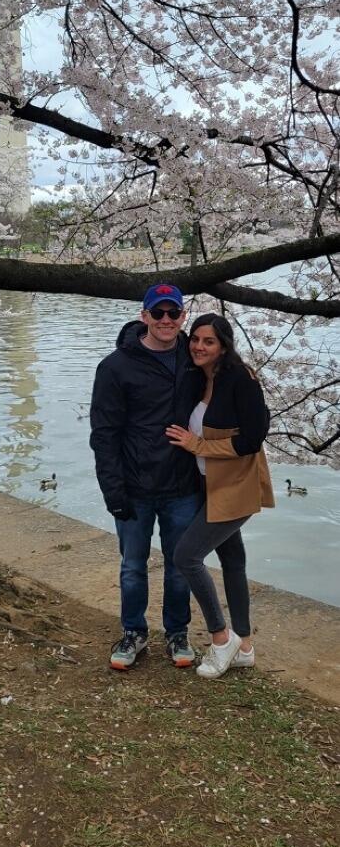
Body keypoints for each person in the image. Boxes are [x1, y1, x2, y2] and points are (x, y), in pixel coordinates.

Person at [90, 282, 203, 671]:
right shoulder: (115, 367)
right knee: (133, 567)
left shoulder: (195, 360)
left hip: (183, 486)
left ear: (183, 317)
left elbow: (227, 390)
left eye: (174, 313)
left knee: (180, 566)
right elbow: (103, 435)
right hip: (135, 487)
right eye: (159, 313)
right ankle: (134, 632)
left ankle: (177, 631)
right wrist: (113, 490)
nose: (167, 320)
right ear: (145, 317)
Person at [166, 313, 274, 680]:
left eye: (208, 341)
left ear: (223, 345)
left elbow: (252, 439)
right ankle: (243, 646)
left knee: (187, 555)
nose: (199, 346)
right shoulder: (200, 377)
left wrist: (198, 444)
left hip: (236, 485)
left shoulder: (240, 380)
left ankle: (221, 637)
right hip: (208, 484)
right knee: (233, 559)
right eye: (195, 339)